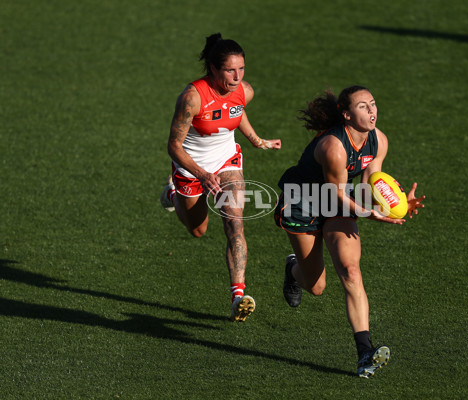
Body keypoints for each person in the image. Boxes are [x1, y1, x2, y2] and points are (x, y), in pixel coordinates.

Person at [273, 86, 425, 378]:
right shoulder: (334, 147)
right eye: (363, 106)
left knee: (351, 271)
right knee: (316, 286)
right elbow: (338, 193)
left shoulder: (378, 141)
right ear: (346, 114)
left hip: (337, 202)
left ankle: (364, 352)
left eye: (374, 104)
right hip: (303, 202)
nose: (372, 111)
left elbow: (370, 184)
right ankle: (293, 269)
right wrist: (370, 213)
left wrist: (397, 203)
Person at [160, 33, 281, 322]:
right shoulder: (192, 97)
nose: (237, 77)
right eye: (230, 70)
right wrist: (201, 175)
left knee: (234, 222)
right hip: (191, 169)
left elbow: (237, 112)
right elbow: (173, 146)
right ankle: (172, 194)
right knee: (198, 230)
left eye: (241, 69)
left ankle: (238, 296)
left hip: (227, 162)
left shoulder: (244, 90)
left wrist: (255, 140)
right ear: (213, 69)